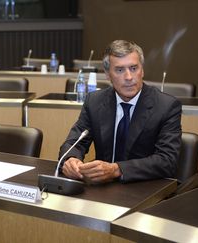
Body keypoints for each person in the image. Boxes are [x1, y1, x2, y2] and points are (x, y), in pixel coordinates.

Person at [59, 40, 182, 183]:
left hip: (145, 186)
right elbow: (75, 142)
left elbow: (167, 161)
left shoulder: (166, 106)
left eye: (134, 68)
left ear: (142, 70)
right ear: (107, 74)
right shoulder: (95, 101)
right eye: (119, 70)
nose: (129, 77)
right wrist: (70, 159)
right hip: (102, 188)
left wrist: (117, 169)